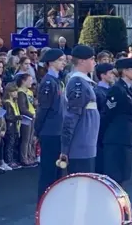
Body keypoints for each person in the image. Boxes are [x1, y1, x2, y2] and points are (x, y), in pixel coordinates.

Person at [60, 45, 99, 174]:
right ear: (82, 61)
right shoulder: (78, 83)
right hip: (80, 145)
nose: (94, 62)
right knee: (80, 185)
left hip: (87, 143)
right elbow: (71, 118)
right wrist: (65, 148)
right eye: (91, 59)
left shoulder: (84, 82)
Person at [102, 58, 132, 186]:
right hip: (116, 137)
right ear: (124, 71)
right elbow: (107, 114)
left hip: (125, 137)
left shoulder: (129, 88)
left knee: (123, 175)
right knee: (114, 176)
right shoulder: (117, 90)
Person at [35, 48, 66, 201]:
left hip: (57, 131)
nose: (64, 63)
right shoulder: (48, 82)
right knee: (48, 170)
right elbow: (43, 109)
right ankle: (43, 202)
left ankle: (53, 200)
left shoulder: (57, 80)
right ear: (51, 62)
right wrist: (37, 130)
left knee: (57, 169)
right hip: (50, 131)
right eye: (60, 60)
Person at [93, 63, 115, 174]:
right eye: (111, 73)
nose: (113, 75)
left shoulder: (113, 89)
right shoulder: (97, 92)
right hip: (102, 131)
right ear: (103, 75)